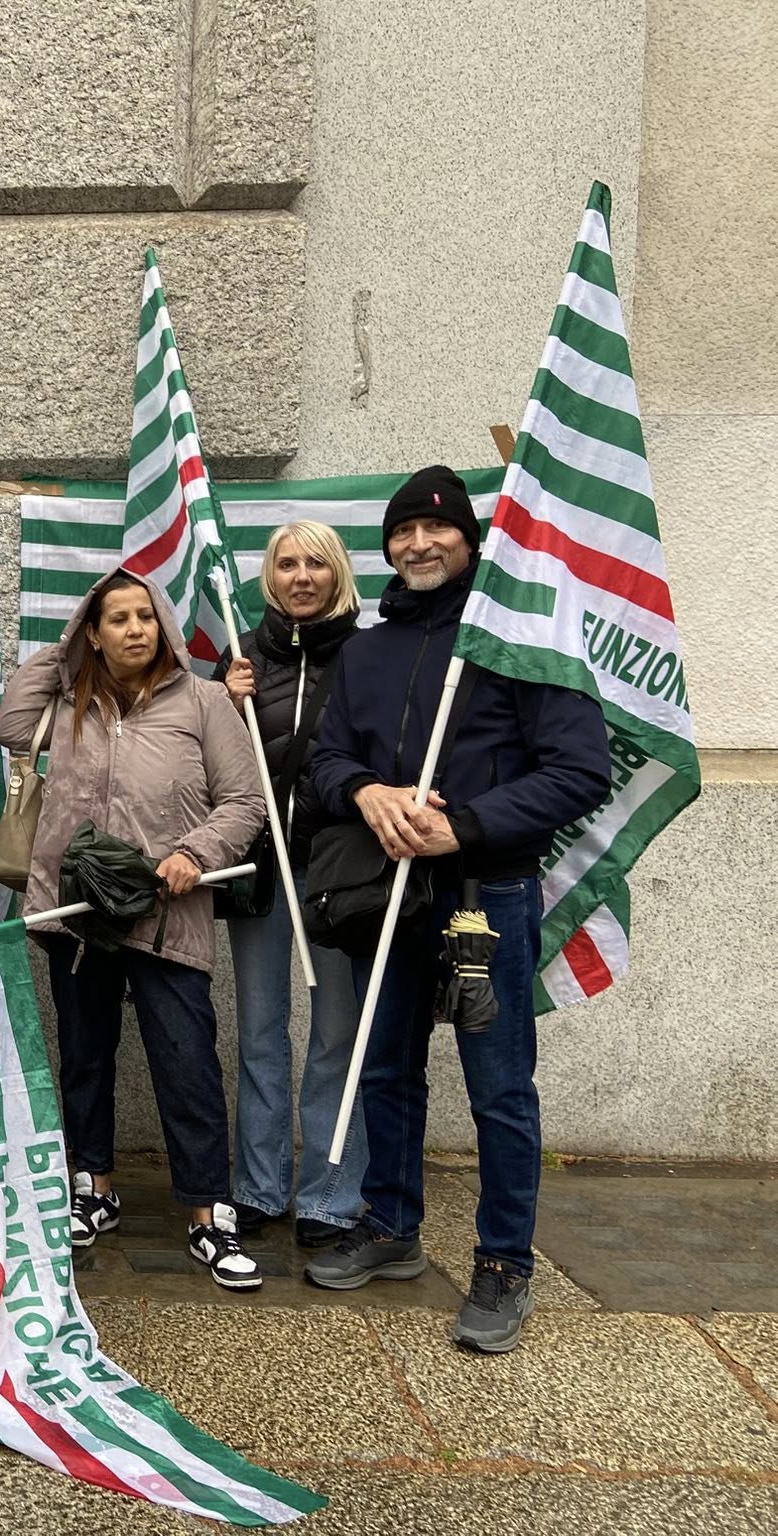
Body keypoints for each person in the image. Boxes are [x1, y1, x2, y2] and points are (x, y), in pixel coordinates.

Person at [303, 464, 610, 1353]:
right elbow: (326, 760)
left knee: (499, 1086)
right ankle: (392, 1226)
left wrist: (461, 826)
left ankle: (505, 1262)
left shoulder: (516, 642)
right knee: (388, 1068)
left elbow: (579, 772)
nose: (419, 543)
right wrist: (365, 793)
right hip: (387, 894)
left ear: (471, 541)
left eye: (437, 529)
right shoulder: (365, 651)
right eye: (403, 531)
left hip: (488, 893)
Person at [0, 570, 266, 1289]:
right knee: (85, 1055)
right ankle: (94, 1185)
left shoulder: (205, 701)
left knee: (187, 1061)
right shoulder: (65, 702)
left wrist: (195, 854)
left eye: (146, 616)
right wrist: (66, 650)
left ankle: (208, 1213)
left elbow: (245, 801)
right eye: (117, 618)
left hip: (168, 911)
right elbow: (8, 726)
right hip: (79, 916)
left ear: (164, 624)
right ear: (94, 631)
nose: (136, 629)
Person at [219, 521, 368, 1249]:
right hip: (261, 866)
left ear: (338, 574)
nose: (301, 576)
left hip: (339, 869)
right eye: (286, 564)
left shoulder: (368, 656)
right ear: (268, 577)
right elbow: (207, 760)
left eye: (316, 563)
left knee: (338, 1032)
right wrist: (222, 701)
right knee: (259, 1029)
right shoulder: (240, 656)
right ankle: (259, 1185)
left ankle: (331, 1196)